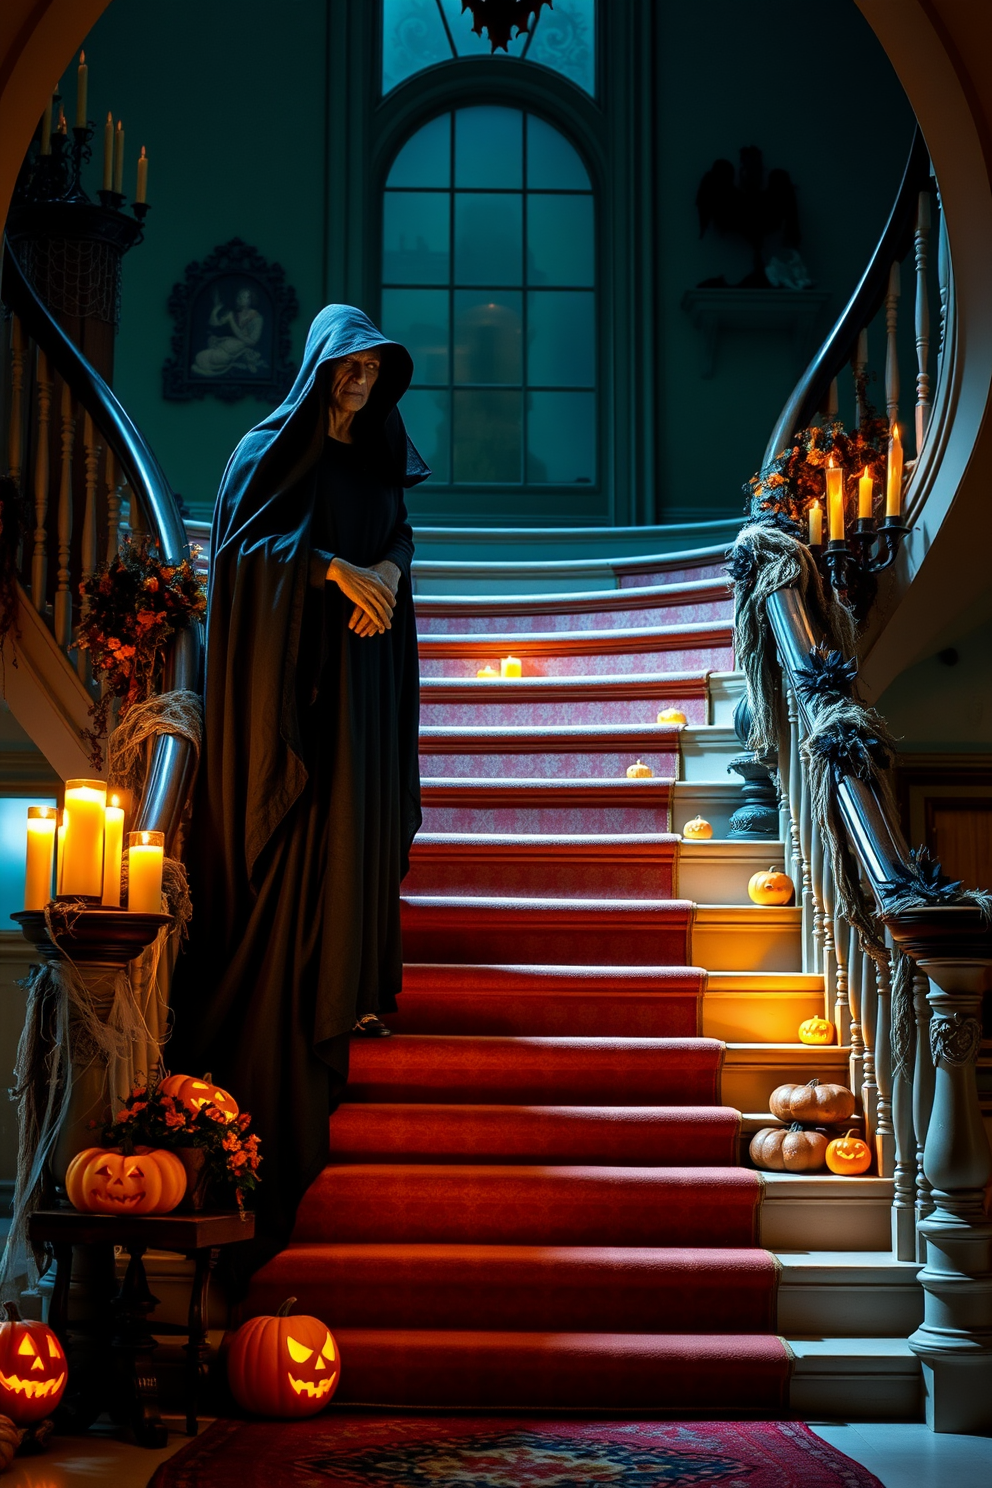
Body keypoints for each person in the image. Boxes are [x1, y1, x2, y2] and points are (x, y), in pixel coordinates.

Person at [170, 305, 428, 1264]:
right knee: (301, 837)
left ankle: (350, 979)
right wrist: (328, 572)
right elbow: (236, 558)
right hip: (291, 692)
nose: (358, 385)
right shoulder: (263, 448)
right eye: (346, 369)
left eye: (371, 371)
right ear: (319, 367)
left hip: (360, 677)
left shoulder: (378, 449)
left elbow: (398, 531)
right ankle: (296, 999)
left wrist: (389, 576)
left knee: (355, 827)